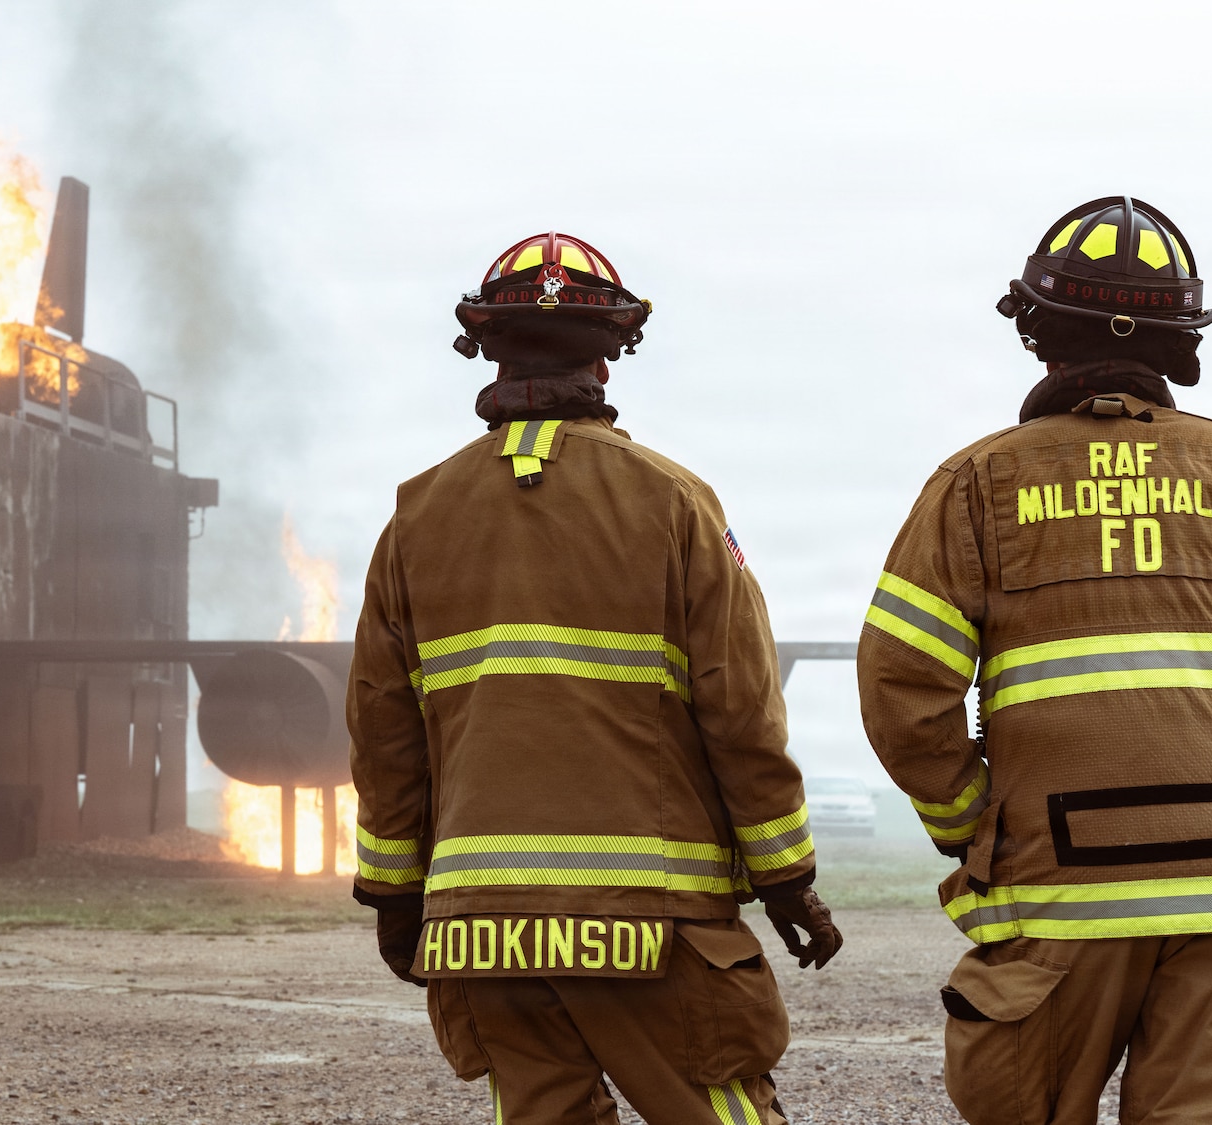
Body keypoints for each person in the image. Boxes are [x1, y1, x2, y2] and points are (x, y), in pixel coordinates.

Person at [856, 196, 1212, 1124]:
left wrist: (976, 825)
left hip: (1058, 899)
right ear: (1183, 343)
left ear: (1037, 333)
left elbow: (902, 686)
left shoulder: (974, 487)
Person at [347, 231, 842, 1125]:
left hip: (481, 930)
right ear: (612, 351)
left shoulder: (412, 518)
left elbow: (382, 729)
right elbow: (742, 711)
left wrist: (393, 893)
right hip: (653, 922)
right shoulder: (675, 501)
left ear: (485, 344)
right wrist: (786, 878)